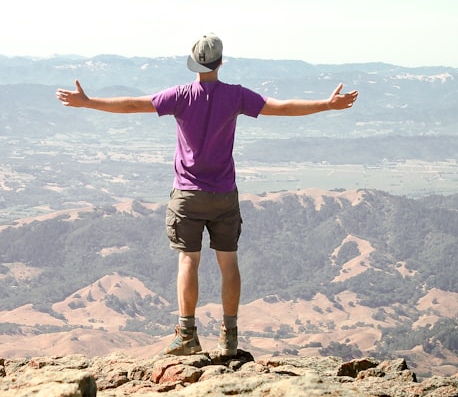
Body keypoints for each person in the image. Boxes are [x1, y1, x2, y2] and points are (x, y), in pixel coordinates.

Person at [56, 33, 358, 357]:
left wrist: (88, 102)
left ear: (193, 64)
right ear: (220, 63)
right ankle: (229, 338)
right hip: (224, 194)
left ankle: (186, 334)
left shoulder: (181, 95)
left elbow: (133, 104)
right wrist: (327, 105)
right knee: (228, 262)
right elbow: (280, 108)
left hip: (187, 194)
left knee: (188, 260)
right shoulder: (235, 96)